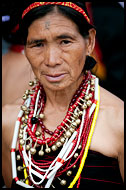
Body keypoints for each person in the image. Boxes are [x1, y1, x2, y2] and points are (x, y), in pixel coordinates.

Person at [2, 2, 124, 188]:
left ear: (89, 41)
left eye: (65, 41)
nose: (51, 60)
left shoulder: (118, 122)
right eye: (38, 44)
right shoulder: (9, 122)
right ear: (25, 48)